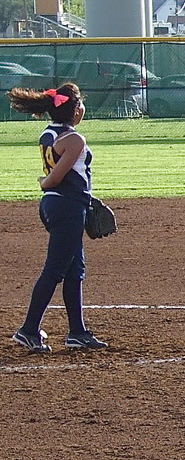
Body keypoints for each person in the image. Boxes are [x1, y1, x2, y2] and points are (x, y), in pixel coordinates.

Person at [6, 82, 108, 353]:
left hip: (59, 205)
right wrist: (44, 182)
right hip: (66, 207)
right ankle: (28, 330)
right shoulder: (75, 139)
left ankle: (77, 332)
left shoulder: (49, 134)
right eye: (80, 104)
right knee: (55, 270)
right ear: (76, 109)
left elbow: (65, 176)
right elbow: (55, 178)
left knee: (75, 270)